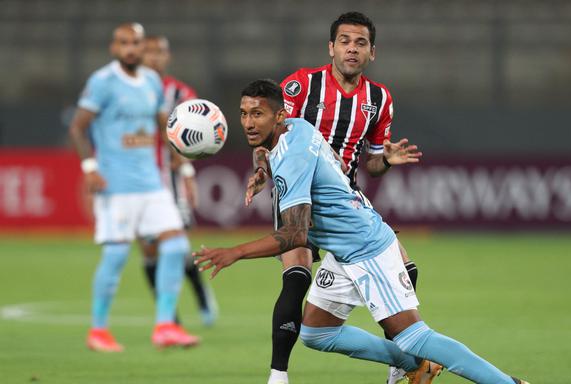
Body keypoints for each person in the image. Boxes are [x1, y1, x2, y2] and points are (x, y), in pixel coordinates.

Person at [195, 79, 529, 384]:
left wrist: (235, 252)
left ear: (279, 115)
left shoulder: (293, 155)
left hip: (366, 248)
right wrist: (262, 168)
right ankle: (417, 365)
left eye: (258, 114)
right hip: (345, 250)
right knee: (316, 332)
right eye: (243, 113)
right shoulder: (298, 127)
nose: (249, 122)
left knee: (414, 336)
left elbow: (295, 235)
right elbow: (312, 163)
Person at [244, 12, 423, 384]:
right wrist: (262, 169)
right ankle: (278, 375)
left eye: (360, 43)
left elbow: (371, 163)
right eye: (344, 41)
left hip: (343, 201)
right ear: (331, 47)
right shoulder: (302, 86)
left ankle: (400, 363)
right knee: (296, 276)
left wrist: (386, 160)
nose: (351, 49)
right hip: (297, 196)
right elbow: (267, 132)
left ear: (372, 52)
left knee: (407, 269)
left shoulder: (379, 98)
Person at [69, 22, 199, 352]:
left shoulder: (152, 82)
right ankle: (98, 330)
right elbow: (78, 128)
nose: (130, 48)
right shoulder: (103, 81)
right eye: (123, 43)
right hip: (116, 186)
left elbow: (161, 126)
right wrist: (90, 168)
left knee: (175, 245)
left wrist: (180, 162)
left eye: (135, 43)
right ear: (114, 48)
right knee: (116, 254)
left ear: (143, 48)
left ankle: (165, 325)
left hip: (151, 184)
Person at [141, 34, 218, 327]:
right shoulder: (129, 91)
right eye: (149, 51)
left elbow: (194, 140)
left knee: (177, 246)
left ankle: (200, 293)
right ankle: (169, 317)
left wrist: (187, 174)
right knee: (149, 250)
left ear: (167, 56)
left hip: (171, 181)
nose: (154, 57)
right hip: (140, 182)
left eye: (159, 52)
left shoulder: (182, 95)